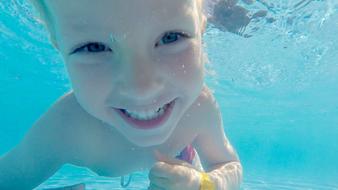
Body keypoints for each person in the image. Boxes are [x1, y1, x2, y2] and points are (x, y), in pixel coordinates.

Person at [0, 0, 243, 189]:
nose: (141, 89)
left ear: (201, 30)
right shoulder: (66, 128)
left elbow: (229, 166)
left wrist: (203, 184)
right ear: (58, 46)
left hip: (180, 156)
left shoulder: (199, 106)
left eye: (171, 37)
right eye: (93, 47)